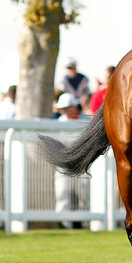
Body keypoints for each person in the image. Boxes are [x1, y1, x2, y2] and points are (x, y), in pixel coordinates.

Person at [54, 93, 87, 228]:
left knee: (85, 193)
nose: (64, 111)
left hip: (83, 162)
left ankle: (87, 221)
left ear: (74, 107)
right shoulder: (59, 122)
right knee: (62, 191)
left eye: (66, 107)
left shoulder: (85, 120)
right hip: (64, 161)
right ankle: (64, 223)